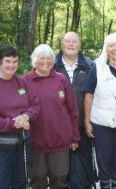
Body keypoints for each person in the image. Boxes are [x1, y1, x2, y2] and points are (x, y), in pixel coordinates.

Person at [0, 45, 39, 189]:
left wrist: (26, 115)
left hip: (23, 143)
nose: (12, 65)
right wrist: (12, 123)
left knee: (21, 183)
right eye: (8, 61)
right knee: (2, 184)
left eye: (15, 61)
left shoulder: (22, 82)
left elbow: (35, 106)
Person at [83, 33, 116, 189]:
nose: (115, 49)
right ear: (106, 49)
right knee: (103, 161)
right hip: (101, 123)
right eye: (111, 45)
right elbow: (88, 95)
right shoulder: (97, 68)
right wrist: (87, 121)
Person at [23, 44, 80, 189]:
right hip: (35, 141)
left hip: (60, 140)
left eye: (49, 58)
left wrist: (74, 137)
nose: (45, 62)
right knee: (37, 181)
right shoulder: (25, 81)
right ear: (34, 60)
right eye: (41, 58)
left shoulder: (61, 79)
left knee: (60, 180)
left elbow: (73, 110)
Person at [54, 31, 96, 188]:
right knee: (60, 170)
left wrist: (90, 120)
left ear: (80, 45)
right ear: (61, 44)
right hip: (57, 128)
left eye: (74, 41)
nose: (71, 44)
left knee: (83, 168)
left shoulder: (90, 66)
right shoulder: (51, 65)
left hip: (83, 125)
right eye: (67, 41)